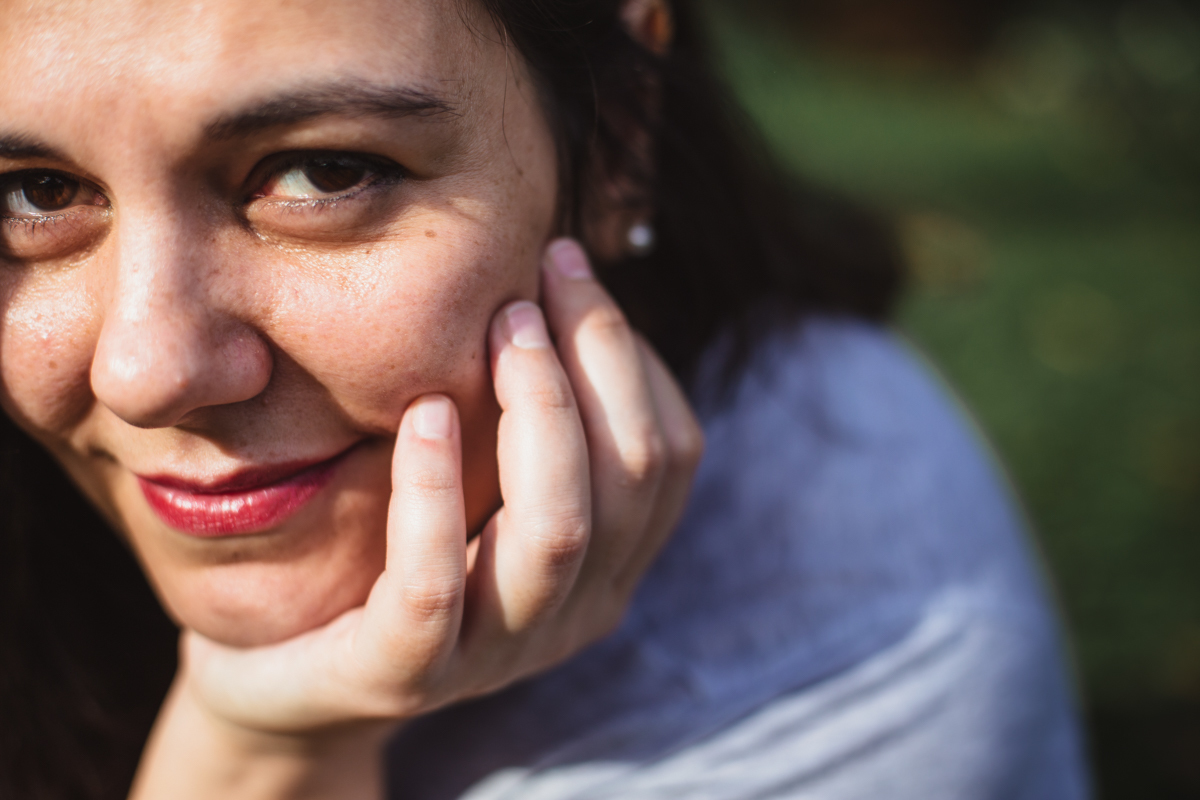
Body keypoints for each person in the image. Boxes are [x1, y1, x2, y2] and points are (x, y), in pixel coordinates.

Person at [0, 0, 1090, 797]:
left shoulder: (829, 668)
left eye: (324, 172)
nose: (145, 370)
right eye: (35, 193)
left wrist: (260, 752)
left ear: (617, 134)